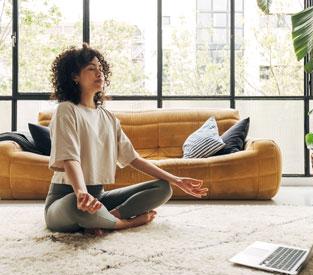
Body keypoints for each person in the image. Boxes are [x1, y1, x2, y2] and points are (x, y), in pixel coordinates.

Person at [44, 43, 209, 236]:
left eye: (100, 69)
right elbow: (70, 158)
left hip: (99, 198)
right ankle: (123, 224)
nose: (99, 73)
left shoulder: (109, 118)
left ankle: (107, 218)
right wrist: (81, 192)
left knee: (163, 188)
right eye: (91, 69)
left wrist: (176, 179)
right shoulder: (67, 110)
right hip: (66, 200)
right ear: (74, 77)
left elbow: (134, 159)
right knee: (76, 205)